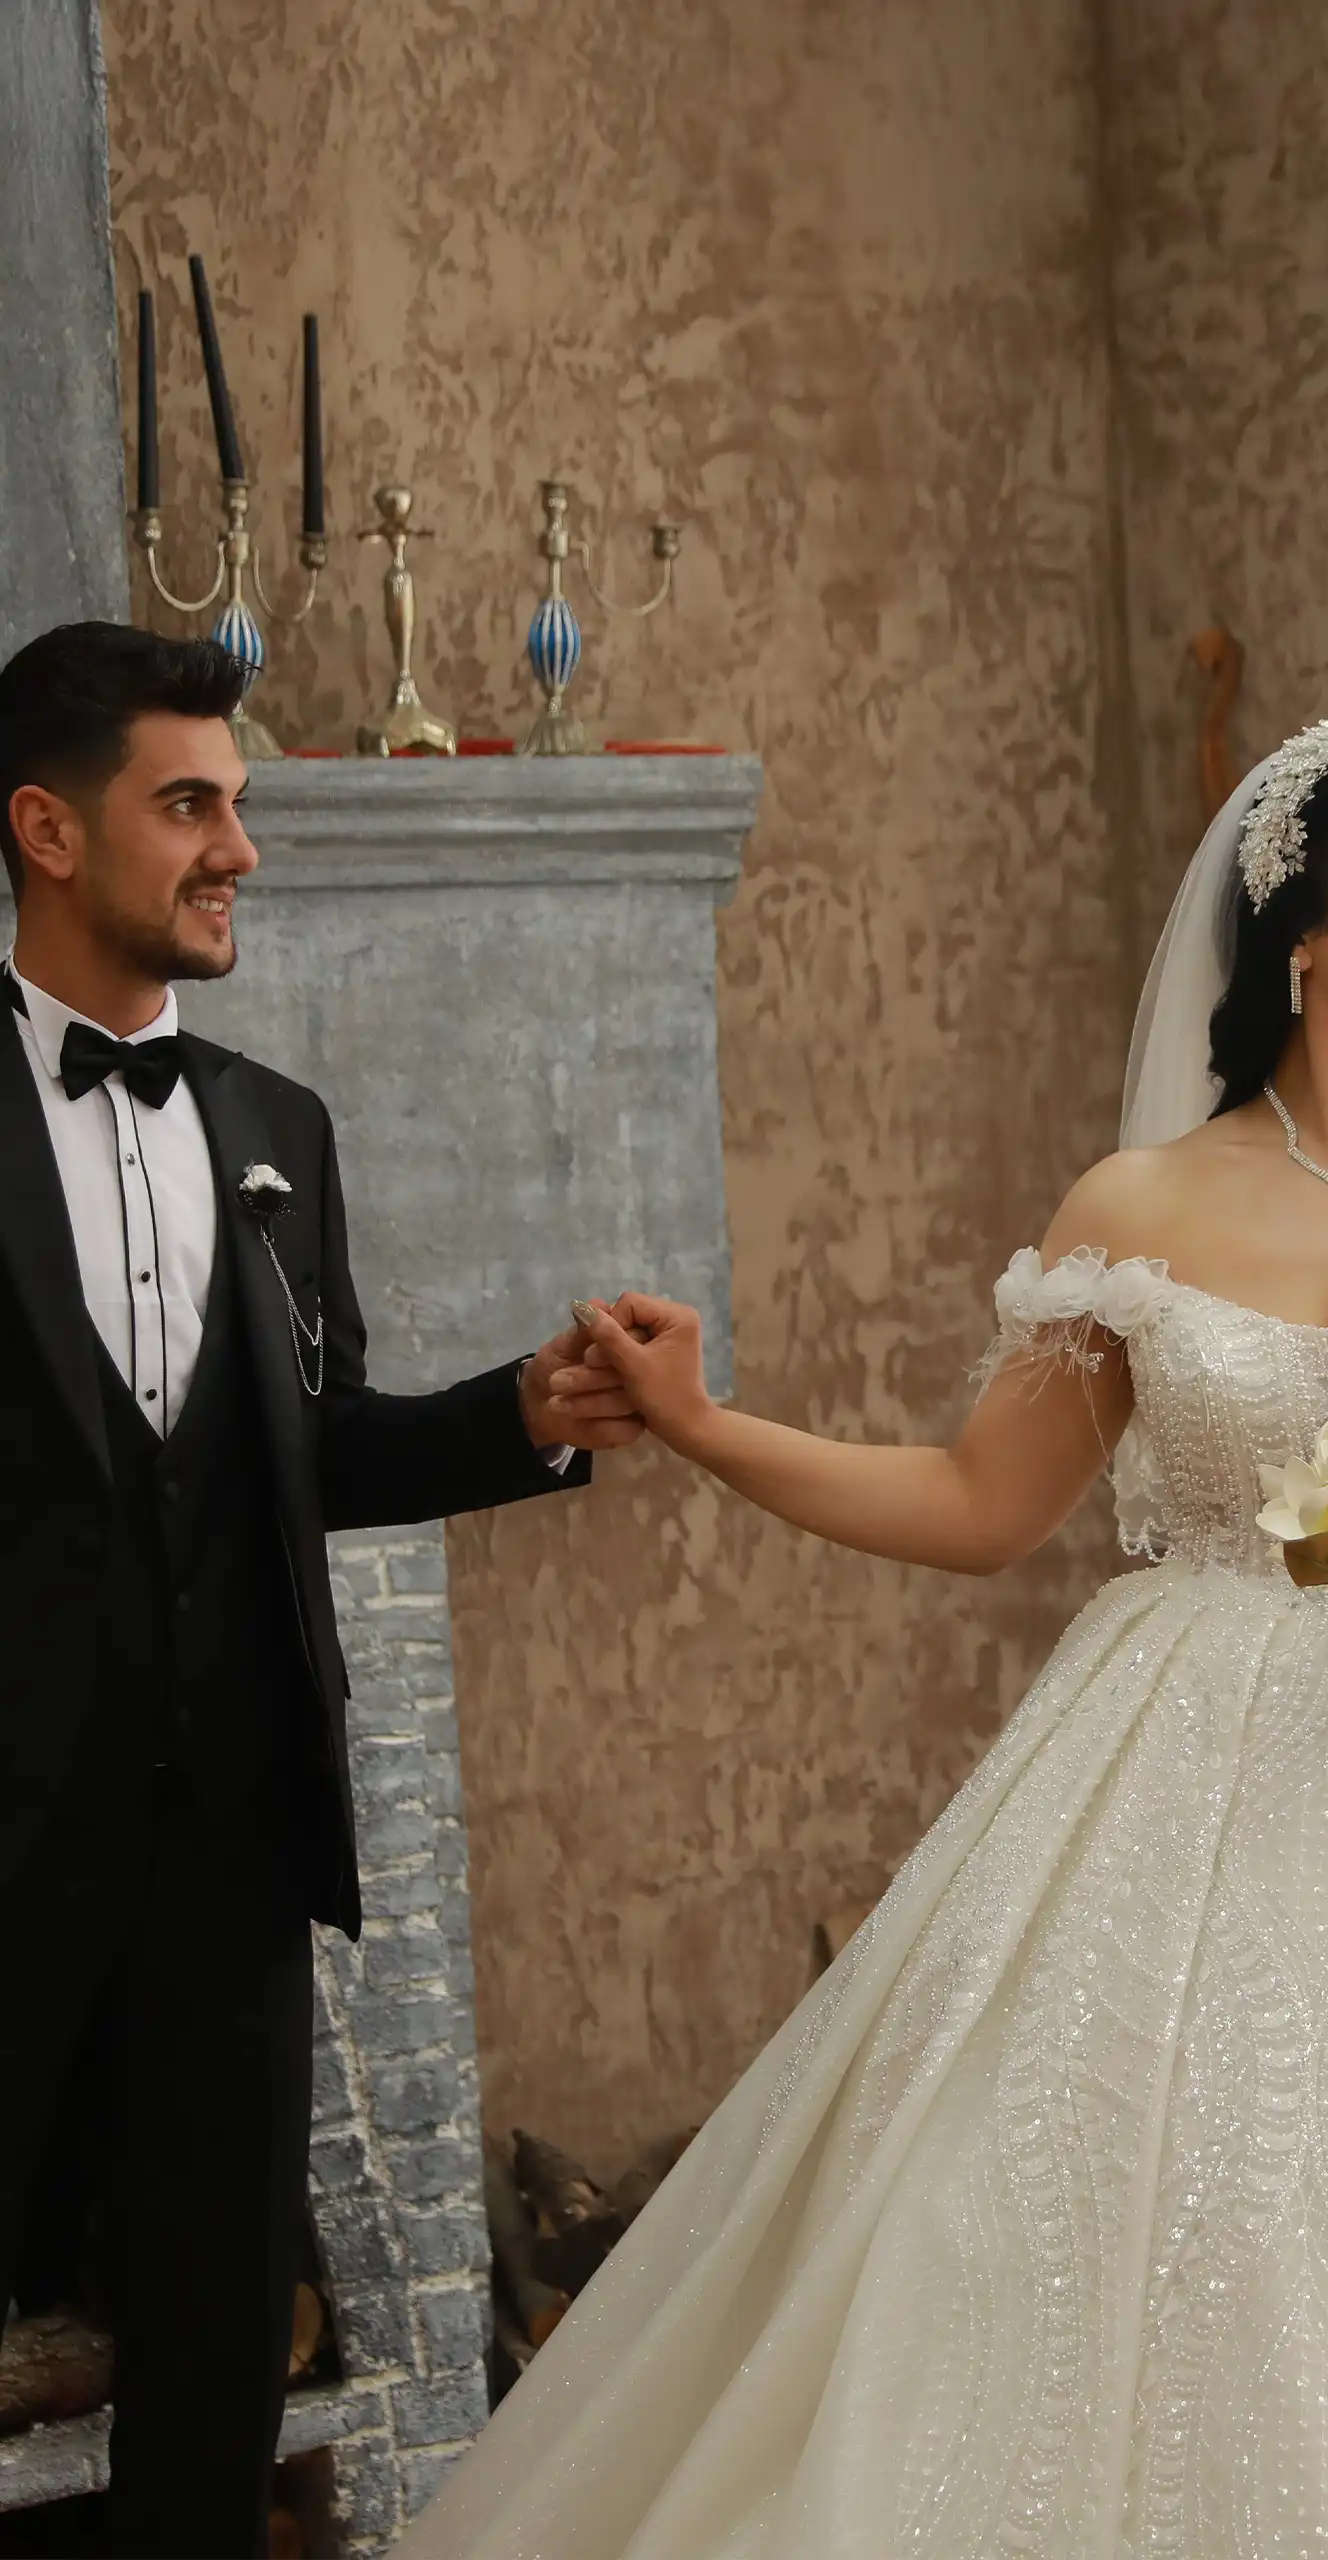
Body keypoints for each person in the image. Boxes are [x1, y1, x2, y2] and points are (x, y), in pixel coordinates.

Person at [404, 717, 1328, 2559]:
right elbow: (976, 1502)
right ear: (1302, 931)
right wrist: (702, 1425)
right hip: (1186, 1784)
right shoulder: (1137, 1211)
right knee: (1159, 2219)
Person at [0, 623, 643, 2560]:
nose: (240, 850)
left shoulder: (278, 1131)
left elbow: (309, 1451)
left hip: (229, 1848)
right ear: (46, 828)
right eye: (190, 804)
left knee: (212, 2382)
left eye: (239, 805)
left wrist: (520, 1416)